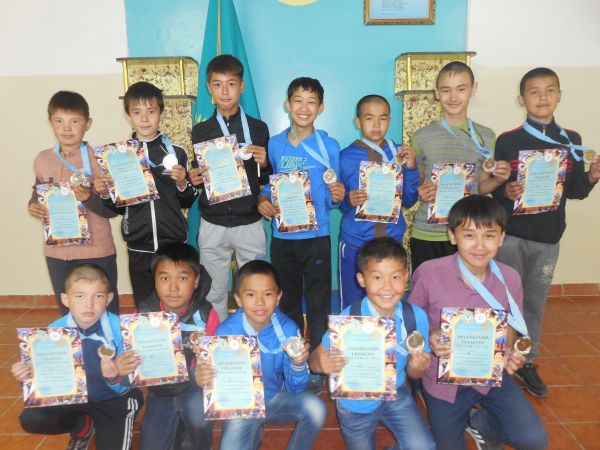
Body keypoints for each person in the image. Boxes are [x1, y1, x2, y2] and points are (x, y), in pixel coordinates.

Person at [491, 67, 600, 397]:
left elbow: (576, 191)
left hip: (548, 238)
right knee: (503, 299)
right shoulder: (508, 140)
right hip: (511, 236)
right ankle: (495, 356)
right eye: (534, 92)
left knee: (534, 303)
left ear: (559, 95)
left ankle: (526, 359)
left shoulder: (571, 140)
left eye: (549, 90)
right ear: (521, 99)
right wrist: (505, 191)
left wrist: (592, 176)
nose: (542, 97)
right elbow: (497, 189)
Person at [409, 195, 548, 450]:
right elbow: (411, 325)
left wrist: (508, 350)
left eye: (489, 235)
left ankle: (480, 422)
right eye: (469, 235)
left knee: (534, 439)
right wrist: (430, 334)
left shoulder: (510, 278)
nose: (480, 245)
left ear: (502, 238)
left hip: (489, 376)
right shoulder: (428, 273)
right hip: (443, 381)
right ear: (452, 236)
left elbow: (510, 325)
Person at [310, 237, 435, 450]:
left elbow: (414, 374)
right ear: (361, 279)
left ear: (406, 277)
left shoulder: (416, 317)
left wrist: (417, 367)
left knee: (423, 446)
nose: (387, 286)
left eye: (395, 277)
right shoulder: (348, 320)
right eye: (377, 277)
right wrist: (321, 364)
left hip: (395, 392)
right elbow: (314, 360)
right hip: (355, 404)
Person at [195, 260, 326, 450]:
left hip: (275, 399)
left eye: (268, 294)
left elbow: (295, 388)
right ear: (238, 299)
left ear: (278, 297)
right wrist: (205, 378)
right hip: (243, 406)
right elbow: (218, 384)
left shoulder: (288, 329)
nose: (260, 302)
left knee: (316, 408)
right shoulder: (225, 332)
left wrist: (298, 363)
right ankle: (253, 430)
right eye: (250, 294)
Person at [257, 77, 345, 356]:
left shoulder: (329, 146)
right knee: (288, 301)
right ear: (287, 105)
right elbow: (270, 185)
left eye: (311, 102)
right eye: (298, 101)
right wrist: (263, 200)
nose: (304, 108)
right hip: (283, 237)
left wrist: (338, 195)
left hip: (317, 236)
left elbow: (334, 193)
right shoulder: (275, 144)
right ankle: (293, 358)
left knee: (319, 302)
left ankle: (318, 358)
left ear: (321, 107)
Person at [11, 264, 143, 450]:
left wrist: (115, 376)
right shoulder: (53, 332)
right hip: (74, 399)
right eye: (79, 296)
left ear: (109, 298)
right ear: (65, 299)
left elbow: (133, 380)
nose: (89, 304)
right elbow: (44, 382)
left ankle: (113, 421)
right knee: (32, 418)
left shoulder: (122, 329)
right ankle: (82, 426)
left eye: (98, 296)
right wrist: (26, 376)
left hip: (114, 400)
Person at [94, 81, 197, 308]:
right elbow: (117, 208)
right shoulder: (118, 157)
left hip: (172, 242)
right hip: (139, 243)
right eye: (137, 112)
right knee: (144, 304)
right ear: (128, 115)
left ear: (161, 113)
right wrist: (104, 194)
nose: (144, 118)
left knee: (176, 302)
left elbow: (188, 200)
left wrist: (182, 183)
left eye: (151, 111)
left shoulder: (176, 153)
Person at [188, 54, 272, 320]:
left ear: (242, 86)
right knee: (213, 291)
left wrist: (266, 164)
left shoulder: (258, 129)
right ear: (209, 88)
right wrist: (193, 177)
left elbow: (265, 179)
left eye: (231, 84)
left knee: (255, 288)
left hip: (249, 221)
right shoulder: (200, 131)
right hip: (213, 222)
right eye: (217, 84)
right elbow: (199, 175)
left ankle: (254, 335)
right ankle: (219, 338)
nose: (224, 91)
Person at [116, 242, 219, 450]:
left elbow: (215, 365)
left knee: (199, 417)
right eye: (164, 278)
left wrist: (204, 368)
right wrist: (122, 368)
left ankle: (195, 441)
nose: (173, 288)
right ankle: (176, 424)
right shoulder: (143, 315)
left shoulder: (206, 314)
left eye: (182, 278)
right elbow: (129, 369)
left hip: (194, 388)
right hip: (161, 392)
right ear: (154, 280)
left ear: (196, 281)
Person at [410, 61, 511, 272]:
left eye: (461, 89)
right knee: (427, 290)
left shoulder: (486, 136)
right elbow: (417, 182)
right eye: (446, 90)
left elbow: (480, 187)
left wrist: (498, 179)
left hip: (469, 234)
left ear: (473, 89)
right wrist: (420, 190)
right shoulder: (421, 137)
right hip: (427, 233)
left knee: (466, 291)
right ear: (436, 92)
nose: (453, 97)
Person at [28, 91, 119, 314]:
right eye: (59, 121)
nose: (66, 128)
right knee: (69, 311)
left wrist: (89, 197)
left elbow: (113, 210)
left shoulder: (101, 160)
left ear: (88, 124)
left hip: (97, 251)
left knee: (104, 311)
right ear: (50, 122)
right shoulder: (42, 159)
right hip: (57, 253)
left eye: (74, 121)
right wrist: (33, 205)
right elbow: (37, 191)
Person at [338, 95, 419, 307]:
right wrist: (347, 200)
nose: (376, 125)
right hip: (356, 242)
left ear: (389, 121)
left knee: (388, 300)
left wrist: (411, 168)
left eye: (382, 118)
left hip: (391, 242)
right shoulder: (345, 157)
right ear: (358, 122)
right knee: (353, 304)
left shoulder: (400, 153)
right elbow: (338, 200)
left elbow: (409, 200)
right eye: (369, 118)